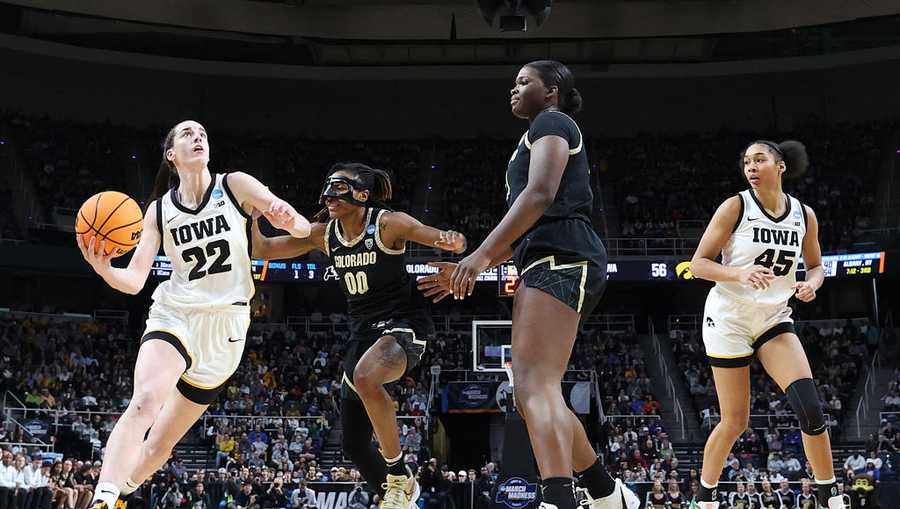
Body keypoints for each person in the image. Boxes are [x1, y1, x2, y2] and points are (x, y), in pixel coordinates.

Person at [417, 60, 638, 509]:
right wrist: (472, 265)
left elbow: (540, 197)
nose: (512, 90)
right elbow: (522, 228)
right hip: (548, 255)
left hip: (564, 253)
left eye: (523, 82)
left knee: (534, 385)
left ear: (551, 90)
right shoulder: (535, 133)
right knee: (538, 387)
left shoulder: (553, 122)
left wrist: (479, 256)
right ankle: (606, 493)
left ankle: (559, 498)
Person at [78, 120, 311, 509]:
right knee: (145, 401)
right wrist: (105, 269)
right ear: (171, 155)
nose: (197, 136)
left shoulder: (235, 185)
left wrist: (289, 218)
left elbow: (302, 229)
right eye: (186, 133)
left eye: (201, 132)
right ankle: (103, 498)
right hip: (176, 312)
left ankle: (125, 490)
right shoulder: (157, 211)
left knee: (159, 446)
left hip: (227, 326)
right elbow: (135, 280)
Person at [251, 162, 466, 509]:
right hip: (362, 332)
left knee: (367, 378)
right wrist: (252, 213)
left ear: (362, 195)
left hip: (403, 322)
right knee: (352, 442)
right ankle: (400, 494)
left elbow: (442, 238)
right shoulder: (324, 233)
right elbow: (262, 250)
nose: (329, 195)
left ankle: (399, 474)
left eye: (338, 187)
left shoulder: (388, 223)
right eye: (327, 187)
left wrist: (453, 243)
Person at [688, 140, 845, 509]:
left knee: (811, 410)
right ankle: (705, 499)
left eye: (759, 160)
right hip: (729, 319)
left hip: (774, 317)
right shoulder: (736, 206)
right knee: (735, 422)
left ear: (781, 166)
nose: (751, 167)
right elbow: (698, 264)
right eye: (746, 162)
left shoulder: (804, 215)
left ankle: (830, 499)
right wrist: (740, 272)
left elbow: (818, 265)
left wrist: (812, 284)